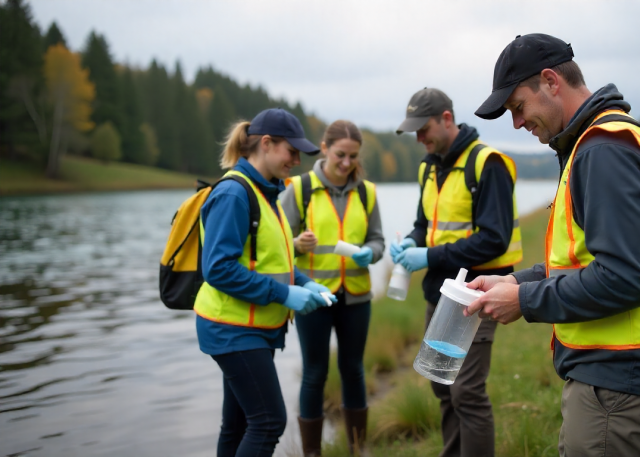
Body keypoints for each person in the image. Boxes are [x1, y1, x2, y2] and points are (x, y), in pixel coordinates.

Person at [466, 34, 640, 457]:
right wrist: (511, 281)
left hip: (626, 378)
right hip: (632, 371)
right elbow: (590, 261)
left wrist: (524, 299)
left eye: (518, 107)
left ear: (550, 81)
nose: (517, 124)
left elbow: (626, 278)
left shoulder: (602, 152)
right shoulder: (594, 144)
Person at [194, 108, 337, 457]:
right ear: (267, 143)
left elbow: (275, 262)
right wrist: (284, 294)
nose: (296, 161)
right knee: (269, 421)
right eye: (292, 151)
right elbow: (218, 268)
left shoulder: (267, 193)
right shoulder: (234, 194)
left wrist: (304, 283)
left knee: (239, 423)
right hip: (232, 328)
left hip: (252, 326)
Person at [391, 88, 522, 457]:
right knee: (441, 386)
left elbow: (494, 239)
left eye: (424, 129)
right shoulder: (428, 166)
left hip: (477, 294)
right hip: (439, 292)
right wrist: (412, 244)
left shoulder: (488, 163)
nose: (420, 139)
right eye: (413, 133)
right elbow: (423, 223)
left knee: (465, 390)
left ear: (447, 119)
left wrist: (429, 256)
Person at [280, 120, 385, 456]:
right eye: (340, 154)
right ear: (324, 149)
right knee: (314, 373)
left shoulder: (367, 192)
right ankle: (312, 453)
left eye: (353, 156)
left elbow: (378, 239)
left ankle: (358, 450)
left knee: (353, 370)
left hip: (356, 295)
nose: (346, 162)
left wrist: (374, 252)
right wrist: (297, 243)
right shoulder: (299, 189)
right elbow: (275, 247)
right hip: (312, 298)